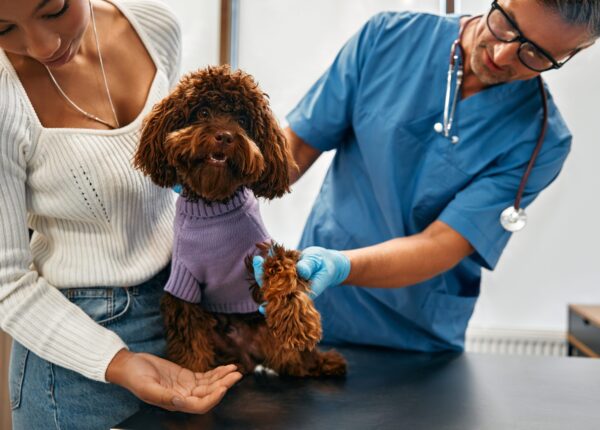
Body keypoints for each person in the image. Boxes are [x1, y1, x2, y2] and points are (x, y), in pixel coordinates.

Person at [254, 1, 598, 351]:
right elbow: (296, 147)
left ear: (576, 51)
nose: (503, 52)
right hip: (316, 309)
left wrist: (339, 265)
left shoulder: (540, 139)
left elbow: (441, 243)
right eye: (505, 22)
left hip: (417, 339)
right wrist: (221, 191)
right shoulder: (388, 38)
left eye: (534, 54)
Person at [0, 0, 241, 429]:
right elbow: (7, 283)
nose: (41, 45)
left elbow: (170, 179)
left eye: (54, 9)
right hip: (74, 356)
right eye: (2, 28)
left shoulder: (154, 28)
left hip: (183, 316)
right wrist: (118, 362)